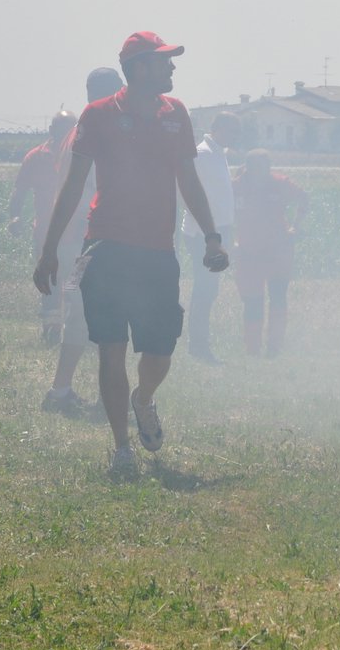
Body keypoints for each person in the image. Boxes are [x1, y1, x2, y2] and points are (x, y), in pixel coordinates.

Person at [35, 33, 229, 476]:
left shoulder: (176, 114)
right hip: (105, 247)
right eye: (164, 62)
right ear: (140, 68)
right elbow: (71, 185)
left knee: (160, 349)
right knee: (111, 350)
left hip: (158, 250)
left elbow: (189, 181)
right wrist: (49, 249)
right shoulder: (99, 115)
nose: (172, 69)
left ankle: (144, 399)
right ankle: (123, 447)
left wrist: (212, 236)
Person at [40, 67, 124, 414]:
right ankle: (66, 394)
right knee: (85, 315)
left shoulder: (80, 130)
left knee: (85, 313)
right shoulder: (94, 131)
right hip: (86, 242)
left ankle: (65, 392)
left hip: (82, 240)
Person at [230, 149, 308, 357]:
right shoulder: (236, 187)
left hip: (278, 252)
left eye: (266, 168)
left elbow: (304, 199)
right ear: (248, 168)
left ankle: (274, 347)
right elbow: (222, 214)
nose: (264, 173)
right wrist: (230, 242)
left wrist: (295, 227)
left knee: (278, 297)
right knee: (252, 301)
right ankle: (252, 350)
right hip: (248, 254)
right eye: (259, 168)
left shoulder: (280, 183)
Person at [9, 111, 77, 343]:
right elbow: (20, 190)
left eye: (72, 129)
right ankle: (51, 328)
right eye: (64, 129)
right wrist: (15, 216)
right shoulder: (36, 157)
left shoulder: (82, 155)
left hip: (78, 232)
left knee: (76, 283)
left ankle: (75, 330)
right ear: (52, 130)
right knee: (49, 281)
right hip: (46, 234)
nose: (69, 134)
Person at [181, 112, 243, 363]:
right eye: (230, 130)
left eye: (236, 131)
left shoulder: (219, 154)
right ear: (216, 128)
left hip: (219, 231)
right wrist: (208, 236)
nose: (234, 135)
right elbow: (191, 193)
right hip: (204, 235)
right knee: (205, 288)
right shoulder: (204, 154)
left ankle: (199, 343)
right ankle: (198, 345)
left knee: (209, 288)